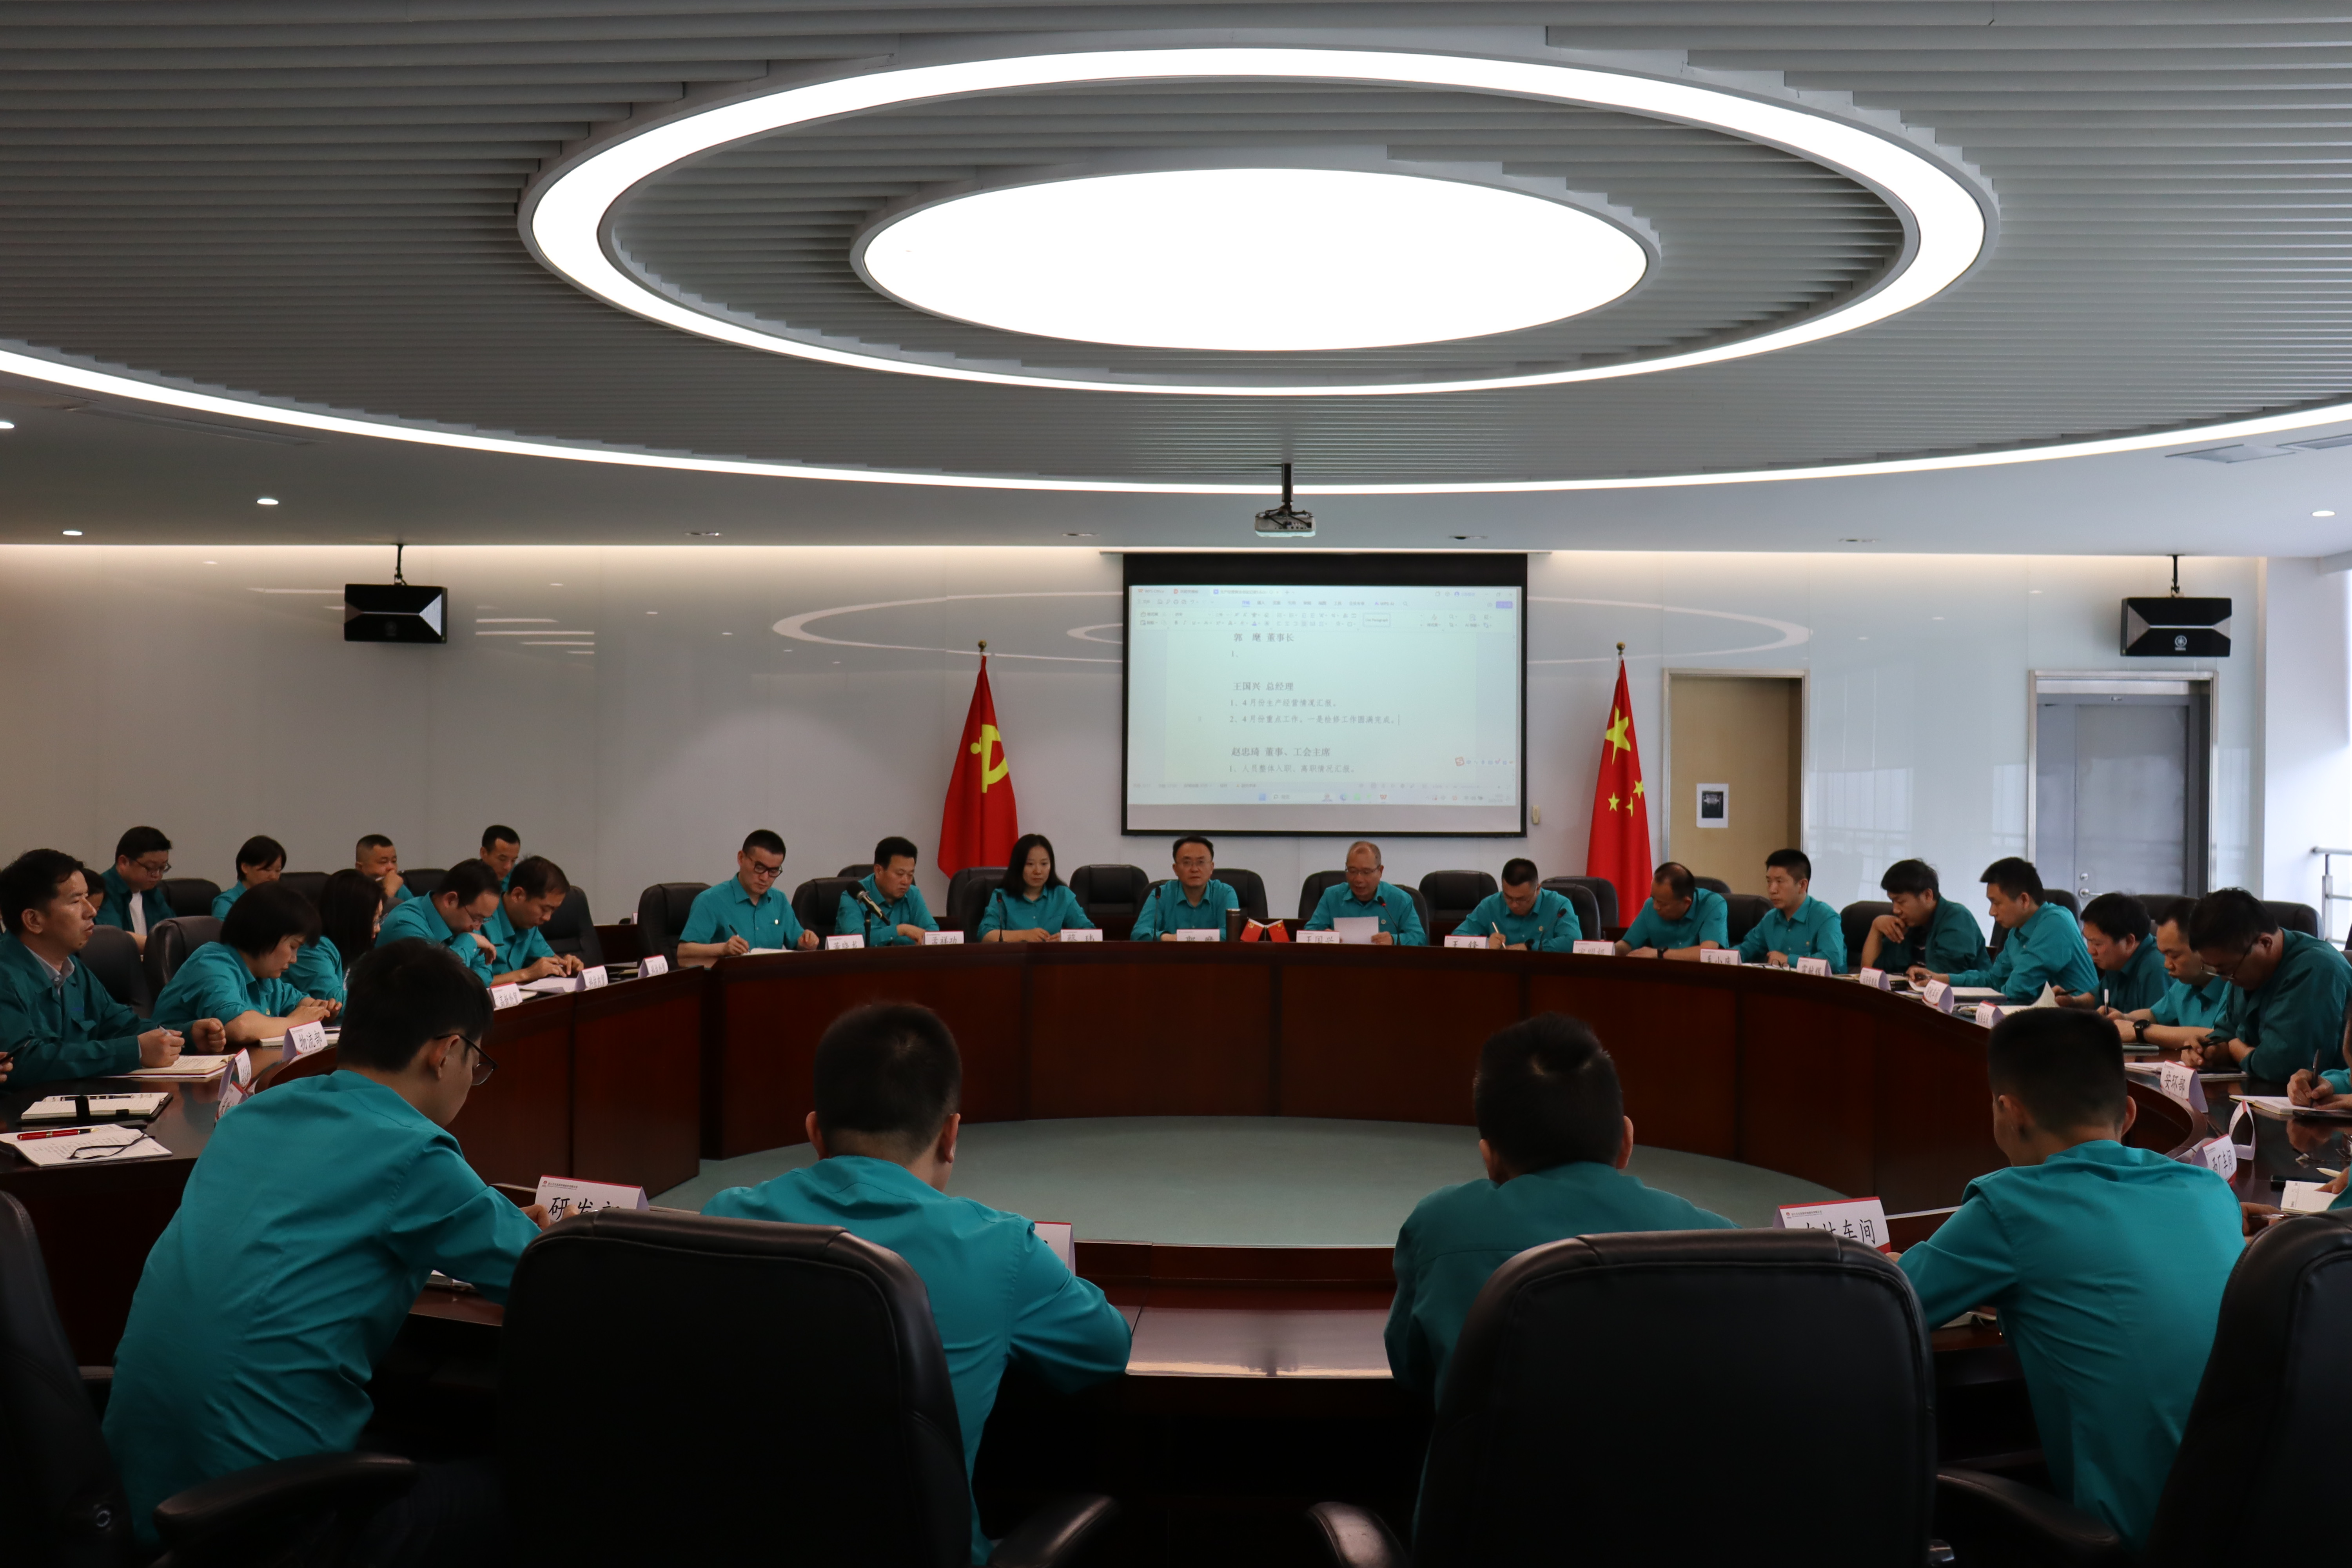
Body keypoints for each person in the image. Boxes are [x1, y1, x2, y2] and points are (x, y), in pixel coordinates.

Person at [104, 939, 550, 1563]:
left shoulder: (254, 1116)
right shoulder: (414, 1152)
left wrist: (479, 1220)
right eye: (477, 1062)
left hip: (139, 1494)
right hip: (269, 1521)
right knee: (547, 1488)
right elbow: (553, 1279)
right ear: (447, 1052)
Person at [702, 1003, 1129, 1564]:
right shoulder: (1001, 1247)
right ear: (951, 1136)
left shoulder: (723, 1221)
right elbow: (1106, 1348)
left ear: (815, 1132)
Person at [1895, 1008, 2241, 1551]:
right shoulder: (2210, 1192)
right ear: (2129, 1113)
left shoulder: (2010, 1205)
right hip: (2256, 1522)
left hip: (2137, 1540)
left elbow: (1882, 1303)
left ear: (2010, 1112)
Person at [1387, 1013, 1733, 1404]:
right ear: (1626, 1142)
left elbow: (1410, 1367)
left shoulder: (1441, 1227)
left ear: (1491, 1160)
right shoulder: (1722, 1243)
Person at [0, 849, 200, 1085]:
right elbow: (21, 1062)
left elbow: (120, 1026)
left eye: (87, 897)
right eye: (76, 901)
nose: (91, 911)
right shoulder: (6, 976)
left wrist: (189, 1035)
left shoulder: (72, 968)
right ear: (34, 920)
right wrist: (134, 1051)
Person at [2180, 888, 2352, 1083]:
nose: (2225, 979)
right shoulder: (2243, 968)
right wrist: (2211, 1050)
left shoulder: (2316, 970)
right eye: (2216, 970)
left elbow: (2282, 1066)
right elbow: (2226, 1031)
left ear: (2265, 943)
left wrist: (2236, 1048)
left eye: (2227, 970)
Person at [151, 882, 340, 1044]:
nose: (294, 959)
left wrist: (320, 1009)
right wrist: (296, 1023)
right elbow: (240, 1027)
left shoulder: (264, 976)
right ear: (265, 934)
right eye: (293, 946)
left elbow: (298, 1001)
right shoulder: (212, 964)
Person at [1911, 858, 2096, 1003]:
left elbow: (2019, 989)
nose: (1992, 912)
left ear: (2024, 900)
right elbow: (1995, 980)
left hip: (2078, 1022)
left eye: (1996, 903)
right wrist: (1942, 979)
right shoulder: (2017, 932)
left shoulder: (2056, 923)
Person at [2102, 899, 2232, 1053]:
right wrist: (2124, 1019)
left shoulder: (2234, 985)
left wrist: (2141, 1031)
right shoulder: (2184, 985)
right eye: (2164, 955)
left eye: (2174, 956)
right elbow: (2155, 1015)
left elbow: (2217, 1038)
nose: (2167, 965)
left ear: (2204, 948)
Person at [678, 830, 817, 960]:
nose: (765, 878)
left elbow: (799, 944)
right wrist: (723, 949)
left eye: (773, 871)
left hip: (772, 976)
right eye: (759, 868)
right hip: (729, 977)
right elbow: (683, 954)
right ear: (741, 858)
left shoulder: (779, 900)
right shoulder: (710, 900)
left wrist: (807, 943)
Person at [375, 859, 502, 984]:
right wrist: (468, 942)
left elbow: (485, 975)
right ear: (451, 900)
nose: (478, 928)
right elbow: (438, 982)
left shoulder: (464, 923)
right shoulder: (405, 925)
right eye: (476, 918)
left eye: (482, 920)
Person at [1859, 859, 1989, 976]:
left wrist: (1915, 972)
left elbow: (1943, 974)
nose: (1895, 910)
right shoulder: (1909, 924)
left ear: (1927, 896)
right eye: (1893, 901)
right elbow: (1869, 974)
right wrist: (1876, 928)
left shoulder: (1957, 918)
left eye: (1901, 902)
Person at [287, 868, 386, 1006]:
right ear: (352, 919)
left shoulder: (353, 948)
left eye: (380, 919)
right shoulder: (313, 947)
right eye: (374, 921)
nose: (378, 928)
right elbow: (334, 1001)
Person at [1738, 848, 1847, 970]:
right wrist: (1723, 957)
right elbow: (1746, 949)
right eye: (1769, 881)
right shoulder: (1771, 919)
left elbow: (1832, 959)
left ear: (1802, 885)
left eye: (1780, 882)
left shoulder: (1825, 917)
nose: (1772, 890)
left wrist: (1788, 960)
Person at [1302, 840, 1427, 946]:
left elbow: (1420, 939)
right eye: (1352, 871)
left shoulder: (1400, 899)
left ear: (1380, 871)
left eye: (1366, 872)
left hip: (1385, 965)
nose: (1358, 879)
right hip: (1341, 964)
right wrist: (1323, 936)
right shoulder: (1332, 897)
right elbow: (1309, 932)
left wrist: (1394, 940)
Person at [483, 856, 585, 984]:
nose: (547, 918)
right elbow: (471, 984)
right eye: (544, 909)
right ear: (518, 895)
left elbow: (550, 963)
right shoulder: (479, 919)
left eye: (553, 910)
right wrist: (527, 974)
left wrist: (567, 967)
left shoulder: (529, 926)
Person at [977, 833, 1094, 942]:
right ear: (1018, 866)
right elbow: (985, 935)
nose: (1038, 871)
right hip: (1016, 957)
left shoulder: (1062, 895)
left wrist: (1066, 938)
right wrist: (1024, 935)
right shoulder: (1002, 897)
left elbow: (1090, 932)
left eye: (1044, 864)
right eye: (1030, 864)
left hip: (1053, 957)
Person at [1453, 859, 1581, 951]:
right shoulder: (1491, 905)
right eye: (1508, 897)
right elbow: (1456, 938)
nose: (1514, 905)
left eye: (1522, 899)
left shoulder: (1559, 905)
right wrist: (1485, 944)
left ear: (1538, 889)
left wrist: (1530, 947)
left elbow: (1573, 942)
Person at [1130, 833, 1239, 941]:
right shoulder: (1160, 894)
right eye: (1187, 863)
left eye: (1201, 862)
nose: (1195, 869)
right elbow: (1139, 934)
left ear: (1212, 867)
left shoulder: (1225, 893)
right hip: (1171, 953)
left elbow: (1230, 934)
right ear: (1176, 869)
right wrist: (1169, 938)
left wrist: (1184, 938)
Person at [836, 836, 939, 947]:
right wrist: (900, 931)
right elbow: (856, 938)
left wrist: (896, 938)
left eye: (910, 875)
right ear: (879, 871)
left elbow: (931, 932)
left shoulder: (913, 894)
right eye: (900, 874)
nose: (906, 882)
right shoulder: (853, 896)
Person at [2073, 893, 2168, 1013]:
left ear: (2129, 941)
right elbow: (2098, 998)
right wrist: (2072, 1002)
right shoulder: (2117, 960)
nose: (2090, 951)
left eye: (2097, 944)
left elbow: (2158, 1021)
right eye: (2088, 941)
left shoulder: (2156, 969)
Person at [1615, 862, 1727, 959]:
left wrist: (1660, 954)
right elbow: (1627, 945)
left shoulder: (1713, 905)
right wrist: (1610, 950)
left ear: (1686, 902)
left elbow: (1708, 954)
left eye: (1662, 903)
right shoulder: (1650, 906)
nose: (1655, 907)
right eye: (1654, 898)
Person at [96, 825, 174, 953]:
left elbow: (173, 931)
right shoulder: (101, 890)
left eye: (162, 868)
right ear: (123, 862)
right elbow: (114, 937)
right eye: (150, 867)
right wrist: (163, 945)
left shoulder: (152, 892)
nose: (156, 875)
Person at [210, 834, 287, 920]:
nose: (274, 877)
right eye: (267, 870)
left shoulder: (279, 902)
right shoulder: (227, 903)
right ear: (245, 868)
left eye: (278, 871)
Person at [355, 833, 411, 906]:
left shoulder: (399, 888)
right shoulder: (351, 891)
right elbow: (372, 913)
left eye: (394, 861)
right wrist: (390, 891)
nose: (392, 868)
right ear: (360, 868)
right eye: (383, 862)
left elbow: (417, 911)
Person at [478, 824, 521, 890]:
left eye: (513, 861)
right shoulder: (466, 880)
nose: (508, 867)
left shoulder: (521, 878)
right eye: (502, 859)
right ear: (483, 853)